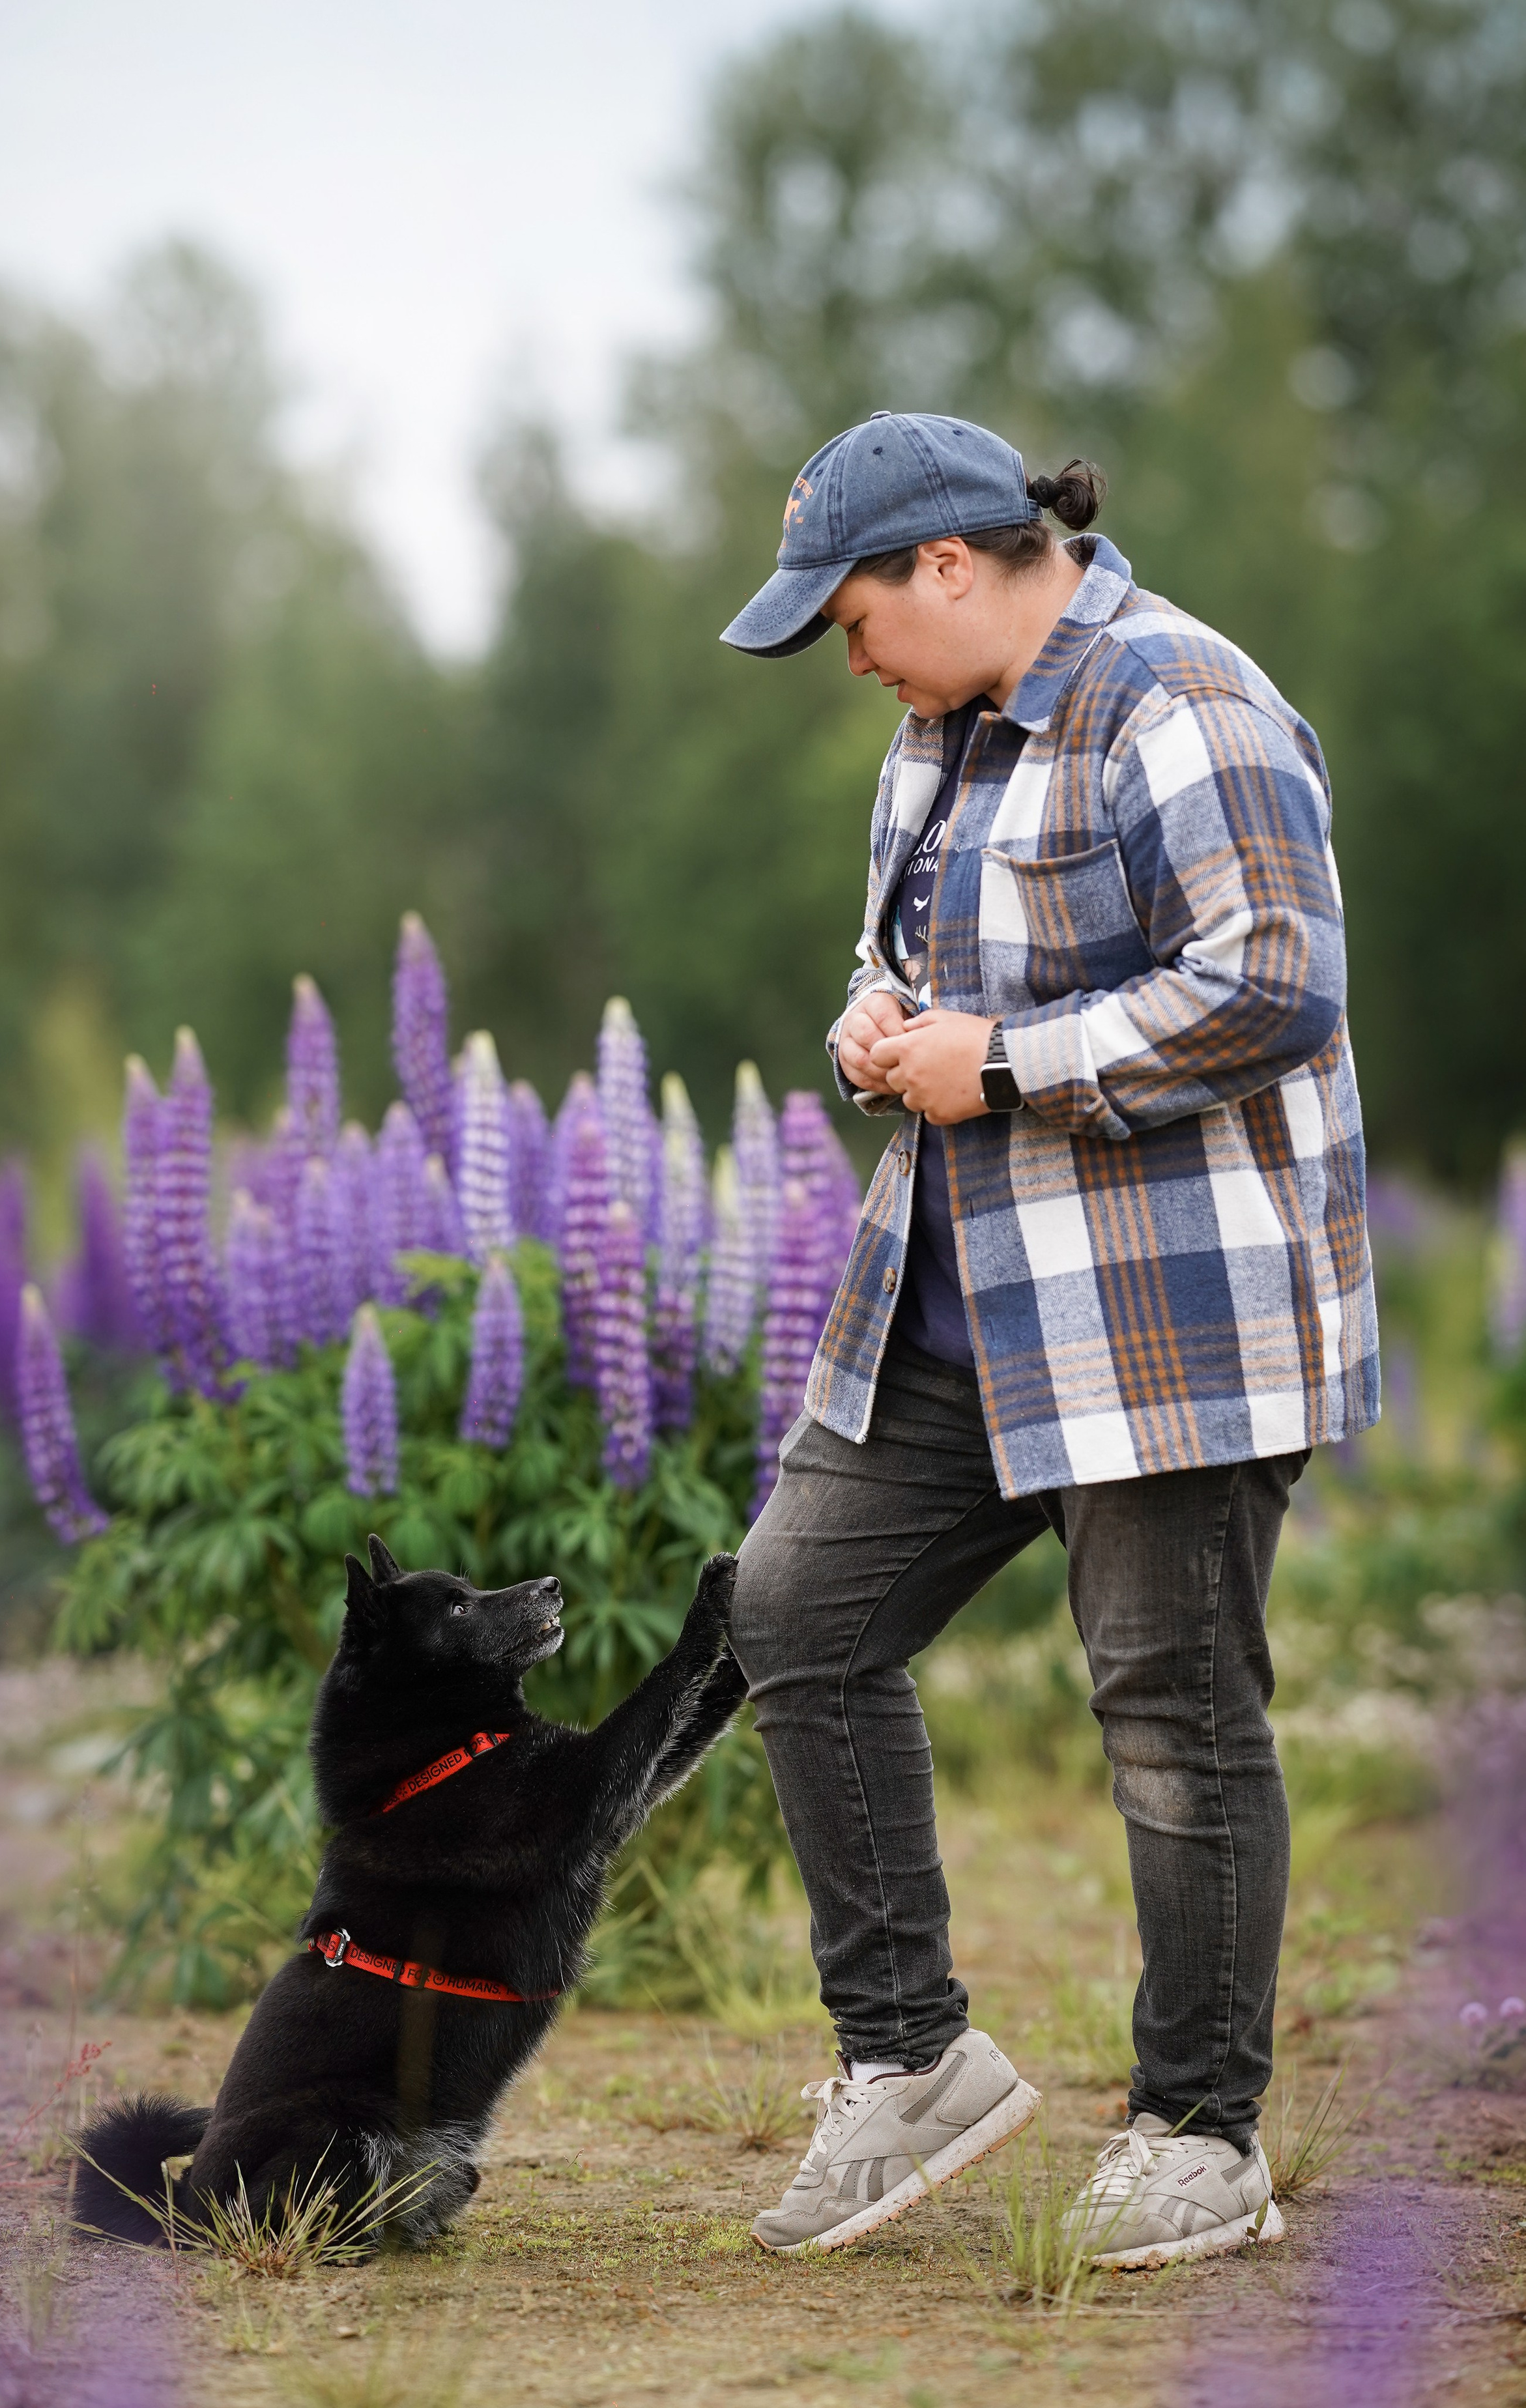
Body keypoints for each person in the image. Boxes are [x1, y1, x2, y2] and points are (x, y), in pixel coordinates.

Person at [719, 412, 1378, 2262]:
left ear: (948, 563)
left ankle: (1202, 2135)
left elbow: (1278, 979)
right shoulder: (934, 735)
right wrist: (875, 1023)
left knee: (1174, 1716)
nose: (849, 659)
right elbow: (910, 960)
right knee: (793, 1611)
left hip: (1168, 1312)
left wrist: (1004, 1063)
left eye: (852, 618)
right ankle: (912, 2056)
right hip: (955, 1297)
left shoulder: (1184, 700)